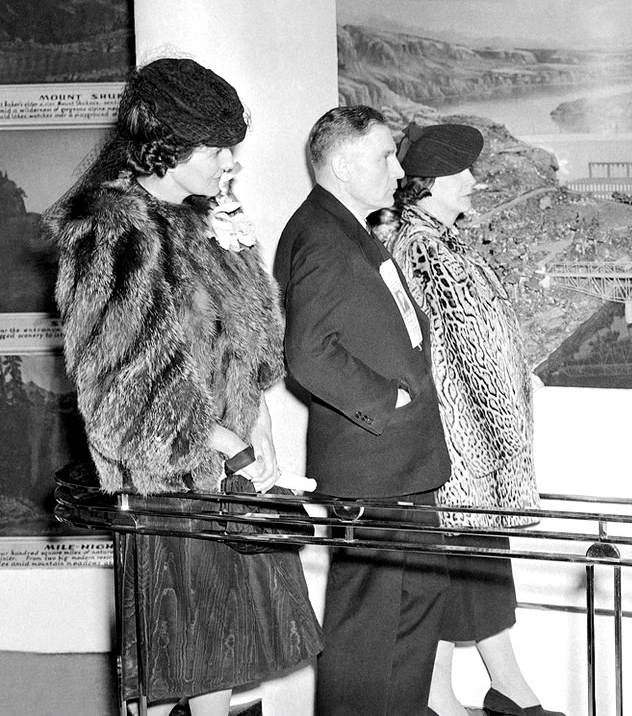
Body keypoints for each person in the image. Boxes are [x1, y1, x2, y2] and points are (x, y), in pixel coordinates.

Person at [45, 57, 323, 716]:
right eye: (216, 148)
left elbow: (248, 337)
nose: (231, 162)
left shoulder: (205, 217)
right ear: (167, 148)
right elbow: (123, 395)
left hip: (224, 480)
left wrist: (257, 418)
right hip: (171, 489)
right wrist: (223, 442)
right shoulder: (111, 233)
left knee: (225, 663)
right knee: (194, 661)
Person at [371, 123, 562, 716]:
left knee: (471, 567)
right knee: (460, 568)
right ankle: (461, 697)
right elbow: (465, 354)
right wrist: (504, 442)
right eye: (463, 173)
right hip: (464, 445)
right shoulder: (426, 250)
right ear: (430, 184)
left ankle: (492, 690)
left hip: (465, 445)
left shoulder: (436, 242)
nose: (475, 181)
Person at [274, 105, 451, 716]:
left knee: (414, 606)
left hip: (401, 460)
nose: (399, 170)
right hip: (372, 465)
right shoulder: (321, 235)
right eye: (385, 156)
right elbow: (307, 352)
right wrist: (388, 398)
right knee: (368, 624)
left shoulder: (349, 227)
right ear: (346, 167)